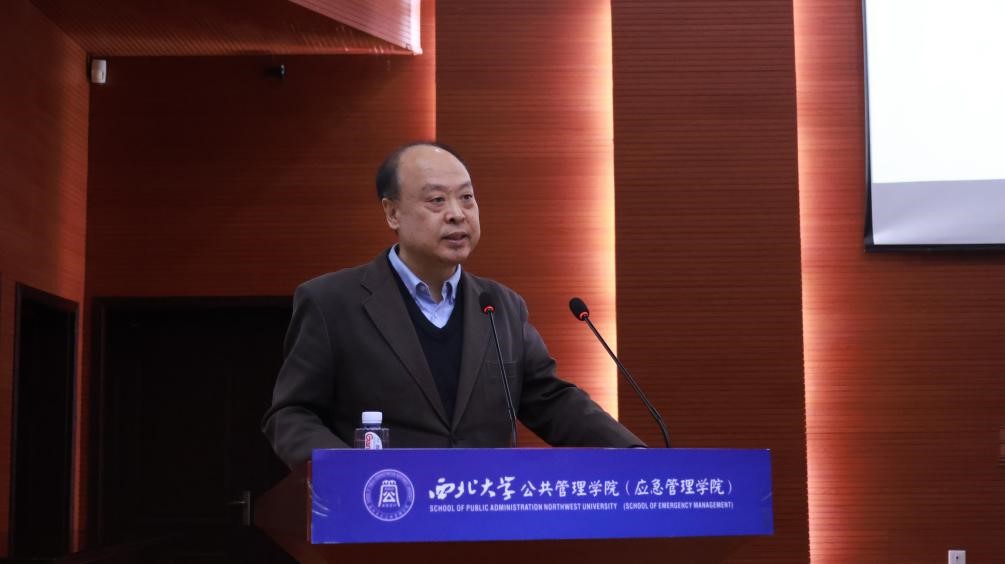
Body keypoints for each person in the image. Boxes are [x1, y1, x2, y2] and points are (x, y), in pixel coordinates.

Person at [262, 142, 643, 468]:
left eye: (466, 198)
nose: (457, 213)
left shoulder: (501, 306)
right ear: (392, 213)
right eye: (436, 200)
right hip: (385, 510)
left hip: (482, 510)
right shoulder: (332, 302)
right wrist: (345, 474)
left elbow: (551, 400)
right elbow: (292, 414)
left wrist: (635, 455)